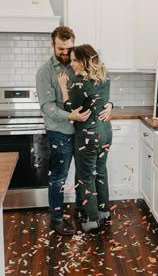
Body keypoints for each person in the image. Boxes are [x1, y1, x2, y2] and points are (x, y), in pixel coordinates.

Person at [36, 26, 112, 236]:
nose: (65, 54)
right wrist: (69, 116)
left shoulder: (77, 62)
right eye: (60, 48)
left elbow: (95, 88)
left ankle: (85, 211)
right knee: (59, 177)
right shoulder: (45, 72)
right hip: (60, 131)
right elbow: (46, 106)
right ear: (53, 44)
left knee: (83, 174)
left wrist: (109, 104)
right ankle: (57, 218)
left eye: (68, 49)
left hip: (83, 132)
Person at [57, 44, 112, 233]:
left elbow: (70, 108)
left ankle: (92, 220)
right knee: (101, 172)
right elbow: (105, 101)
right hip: (105, 130)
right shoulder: (104, 76)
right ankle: (104, 211)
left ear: (84, 60)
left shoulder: (80, 83)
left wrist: (64, 87)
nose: (71, 64)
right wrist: (111, 104)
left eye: (74, 60)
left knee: (86, 177)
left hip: (88, 134)